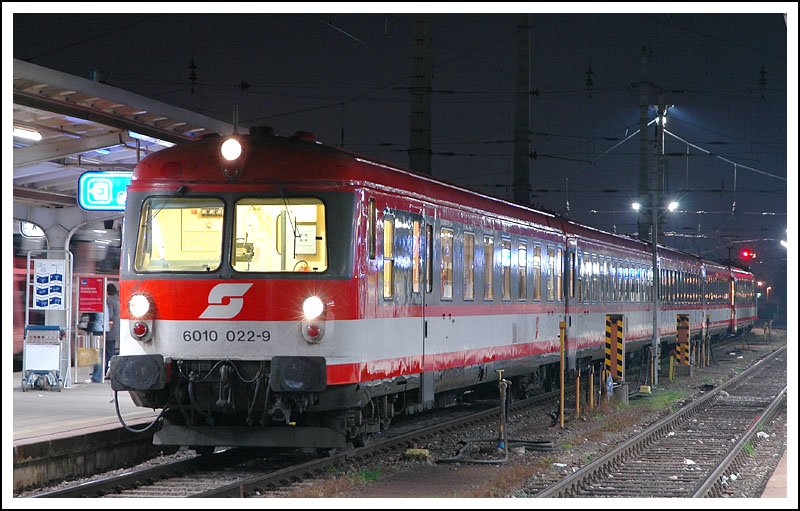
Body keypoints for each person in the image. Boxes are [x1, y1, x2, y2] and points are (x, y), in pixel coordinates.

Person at [90, 283, 120, 382]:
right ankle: (109, 371)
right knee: (110, 351)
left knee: (106, 352)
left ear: (107, 291)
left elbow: (109, 316)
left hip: (109, 330)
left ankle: (106, 372)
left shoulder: (110, 301)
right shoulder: (118, 300)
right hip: (116, 330)